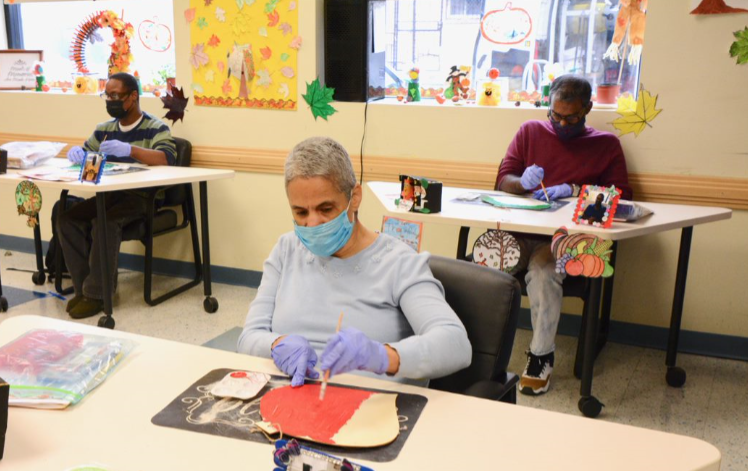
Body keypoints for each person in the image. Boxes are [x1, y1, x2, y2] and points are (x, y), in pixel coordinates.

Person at [237, 136, 471, 386]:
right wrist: (276, 344)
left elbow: (455, 344)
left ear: (355, 197)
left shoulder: (399, 263)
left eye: (326, 209)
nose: (312, 223)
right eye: (300, 212)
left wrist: (382, 357)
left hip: (373, 411)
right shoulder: (286, 251)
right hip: (292, 399)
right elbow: (248, 338)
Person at [496, 74, 632, 395]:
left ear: (587, 109)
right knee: (483, 263)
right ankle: (479, 351)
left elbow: (622, 196)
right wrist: (523, 182)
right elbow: (503, 181)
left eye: (570, 117)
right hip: (521, 230)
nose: (561, 123)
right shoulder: (530, 131)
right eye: (555, 116)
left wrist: (573, 190)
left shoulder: (606, 145)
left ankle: (541, 356)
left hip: (563, 240)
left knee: (543, 273)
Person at [58, 72, 177, 319]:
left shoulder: (155, 127)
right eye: (106, 95)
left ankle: (98, 295)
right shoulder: (104, 130)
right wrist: (76, 153)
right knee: (67, 218)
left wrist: (131, 150)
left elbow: (167, 157)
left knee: (104, 221)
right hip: (109, 195)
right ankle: (84, 288)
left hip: (142, 198)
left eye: (115, 95)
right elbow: (86, 149)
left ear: (133, 97)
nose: (110, 100)